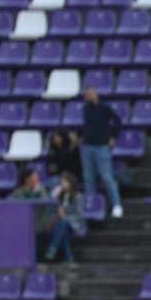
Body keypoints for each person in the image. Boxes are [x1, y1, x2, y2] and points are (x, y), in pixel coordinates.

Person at [78, 88, 123, 218]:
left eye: (90, 93)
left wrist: (113, 136)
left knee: (106, 177)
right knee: (88, 178)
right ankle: (90, 206)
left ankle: (116, 204)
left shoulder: (104, 108)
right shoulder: (85, 109)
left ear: (96, 94)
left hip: (101, 147)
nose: (88, 96)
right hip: (87, 147)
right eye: (86, 94)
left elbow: (117, 120)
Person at [43, 172, 84, 263]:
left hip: (74, 222)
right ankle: (69, 257)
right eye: (61, 183)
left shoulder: (78, 197)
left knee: (64, 223)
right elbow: (51, 210)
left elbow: (79, 214)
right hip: (60, 223)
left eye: (64, 182)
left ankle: (52, 248)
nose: (62, 184)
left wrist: (65, 216)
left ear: (71, 183)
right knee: (63, 229)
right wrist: (54, 198)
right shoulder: (60, 196)